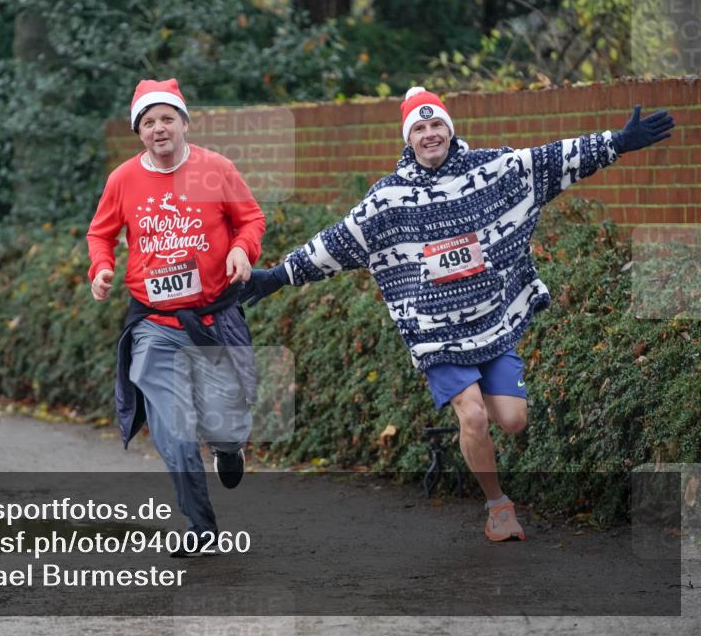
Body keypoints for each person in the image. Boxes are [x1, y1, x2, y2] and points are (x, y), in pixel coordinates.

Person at [242, 87, 674, 541]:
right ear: (408, 139)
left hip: (490, 323)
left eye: (436, 125)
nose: (430, 134)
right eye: (420, 128)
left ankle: (480, 431)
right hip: (434, 332)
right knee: (473, 416)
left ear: (449, 129)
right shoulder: (389, 200)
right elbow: (337, 241)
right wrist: (277, 275)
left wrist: (618, 143)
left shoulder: (491, 170)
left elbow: (552, 159)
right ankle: (498, 507)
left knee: (512, 419)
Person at [86, 79, 266, 556]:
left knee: (225, 425)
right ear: (139, 132)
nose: (158, 128)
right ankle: (202, 528)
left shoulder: (216, 168)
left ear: (184, 123)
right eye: (148, 122)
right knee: (174, 432)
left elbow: (251, 219)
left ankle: (229, 448)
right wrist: (101, 268)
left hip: (212, 319)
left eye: (167, 118)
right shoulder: (123, 179)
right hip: (154, 325)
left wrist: (242, 251)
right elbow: (100, 234)